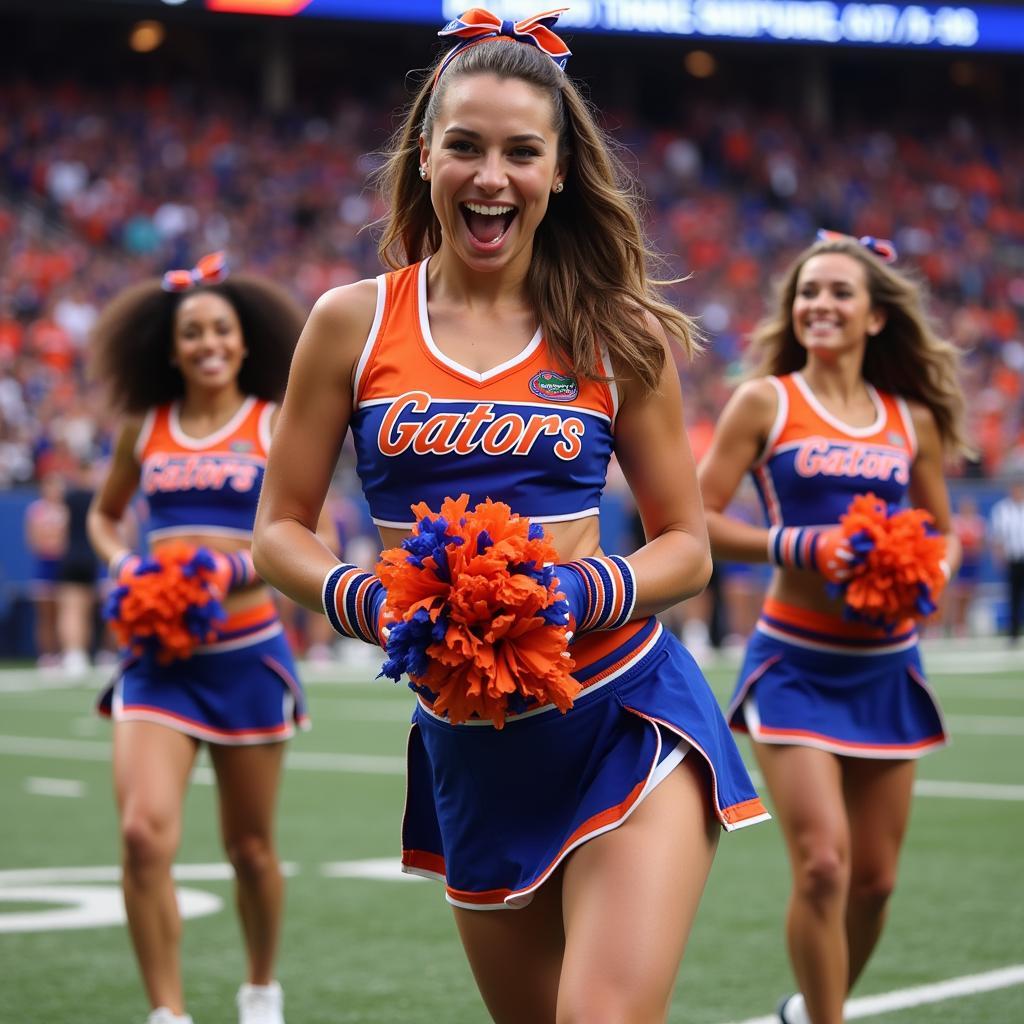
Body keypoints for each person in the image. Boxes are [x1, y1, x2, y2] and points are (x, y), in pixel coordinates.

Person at [252, 11, 767, 1023]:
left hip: (622, 710)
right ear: (425, 156)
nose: (492, 177)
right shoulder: (352, 323)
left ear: (562, 171)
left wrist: (569, 590)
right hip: (470, 743)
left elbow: (685, 547)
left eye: (522, 152)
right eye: (466, 147)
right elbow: (279, 528)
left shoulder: (616, 331)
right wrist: (371, 599)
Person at [697, 231, 971, 1024]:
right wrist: (804, 545)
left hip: (887, 666)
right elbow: (696, 519)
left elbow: (943, 529)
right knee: (822, 865)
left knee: (875, 881)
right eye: (807, 292)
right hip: (795, 663)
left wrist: (933, 570)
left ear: (877, 317)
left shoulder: (909, 419)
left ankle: (808, 1008)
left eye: (840, 292)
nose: (819, 304)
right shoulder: (766, 401)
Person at [86, 252, 308, 1024]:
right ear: (170, 345)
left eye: (222, 329)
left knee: (249, 849)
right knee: (143, 836)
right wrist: (125, 568)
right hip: (157, 662)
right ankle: (168, 1012)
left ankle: (260, 985)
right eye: (192, 332)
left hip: (246, 657)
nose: (208, 342)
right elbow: (105, 516)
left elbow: (303, 531)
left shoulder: (274, 422)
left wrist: (231, 568)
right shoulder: (143, 428)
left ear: (246, 343)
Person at [24, 471, 69, 670]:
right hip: (45, 566)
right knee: (45, 614)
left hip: (65, 566)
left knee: (66, 612)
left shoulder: (68, 509)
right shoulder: (37, 510)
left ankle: (65, 653)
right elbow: (34, 540)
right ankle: (47, 655)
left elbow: (69, 540)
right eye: (50, 486)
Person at [943, 494, 986, 637]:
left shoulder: (978, 522)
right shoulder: (955, 522)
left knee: (968, 594)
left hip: (971, 562)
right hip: (960, 563)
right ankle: (951, 623)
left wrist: (972, 549)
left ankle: (962, 624)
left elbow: (980, 544)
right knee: (955, 594)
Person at [990, 478, 1024, 645]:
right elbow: (997, 537)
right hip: (1013, 559)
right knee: (1013, 596)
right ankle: (1013, 633)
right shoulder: (1002, 509)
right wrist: (999, 557)